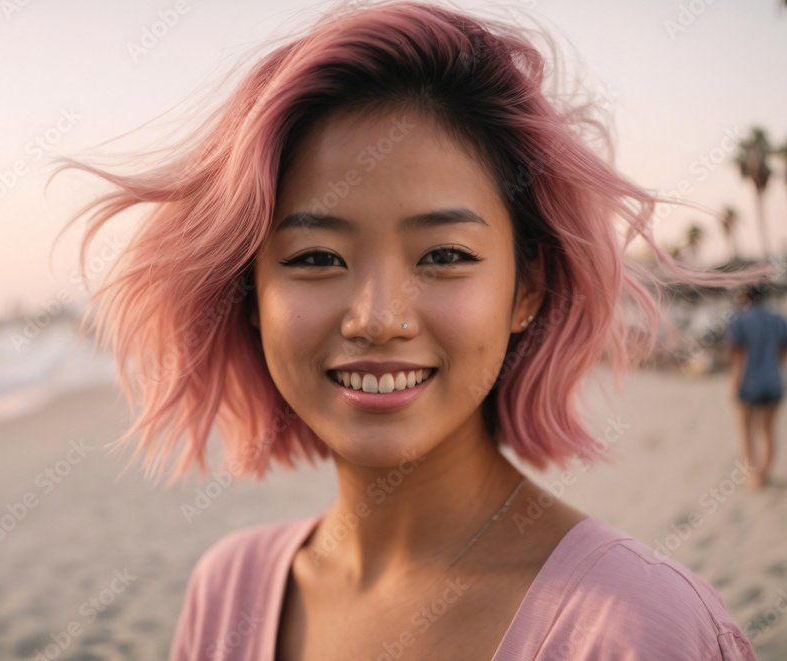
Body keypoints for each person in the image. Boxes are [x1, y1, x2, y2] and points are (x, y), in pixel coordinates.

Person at [55, 0, 772, 658]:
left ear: (527, 290)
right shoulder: (225, 594)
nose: (378, 318)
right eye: (315, 257)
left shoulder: (640, 629)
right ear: (250, 294)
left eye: (444, 256)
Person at [726, 282, 787, 489]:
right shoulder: (779, 319)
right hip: (773, 381)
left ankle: (752, 476)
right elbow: (782, 355)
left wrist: (734, 385)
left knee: (746, 432)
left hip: (748, 382)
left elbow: (738, 357)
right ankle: (764, 473)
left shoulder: (739, 320)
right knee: (768, 431)